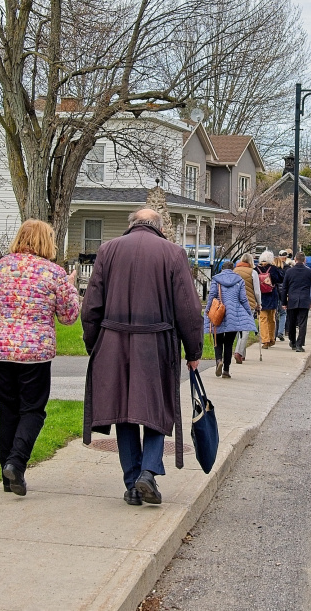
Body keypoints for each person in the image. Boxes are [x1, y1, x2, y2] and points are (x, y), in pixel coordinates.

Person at [81, 208, 203, 506]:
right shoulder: (173, 253)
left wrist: (93, 343)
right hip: (156, 343)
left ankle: (133, 484)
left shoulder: (108, 250)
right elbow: (189, 309)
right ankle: (147, 472)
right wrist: (194, 351)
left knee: (124, 412)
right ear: (160, 227)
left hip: (114, 342)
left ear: (132, 225)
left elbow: (91, 305)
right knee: (156, 409)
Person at [0, 219, 80, 497]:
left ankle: (7, 476)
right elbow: (69, 317)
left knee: (8, 411)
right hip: (35, 352)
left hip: (0, 350)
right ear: (47, 241)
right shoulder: (54, 273)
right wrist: (71, 287)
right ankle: (16, 462)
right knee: (32, 410)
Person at [203, 261, 256, 378]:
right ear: (233, 269)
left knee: (218, 340)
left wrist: (207, 310)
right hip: (234, 314)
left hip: (218, 313)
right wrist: (248, 313)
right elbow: (243, 299)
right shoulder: (239, 280)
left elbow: (212, 295)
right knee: (229, 343)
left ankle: (218, 360)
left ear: (222, 269)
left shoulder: (216, 279)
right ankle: (226, 370)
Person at [282, 252, 311, 352]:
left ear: (295, 260)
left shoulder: (289, 272)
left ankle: (292, 341)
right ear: (304, 260)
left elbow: (285, 288)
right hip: (304, 300)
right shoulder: (309, 272)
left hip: (292, 299)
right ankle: (300, 344)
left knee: (291, 321)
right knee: (302, 323)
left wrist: (283, 302)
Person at [233, 253, 262, 363]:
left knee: (238, 329)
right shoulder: (253, 272)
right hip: (248, 304)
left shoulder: (234, 271)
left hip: (235, 303)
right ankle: (239, 352)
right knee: (245, 329)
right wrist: (259, 303)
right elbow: (257, 291)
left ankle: (242, 354)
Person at [255, 250, 285, 348]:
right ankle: (272, 338)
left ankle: (265, 340)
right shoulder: (273, 269)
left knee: (262, 319)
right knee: (272, 318)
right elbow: (280, 279)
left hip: (261, 296)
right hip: (272, 295)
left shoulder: (256, 269)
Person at [274, 251, 290, 341]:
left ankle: (274, 333)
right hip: (282, 294)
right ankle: (280, 332)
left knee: (274, 315)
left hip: (273, 295)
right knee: (283, 313)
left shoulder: (272, 271)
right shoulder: (287, 269)